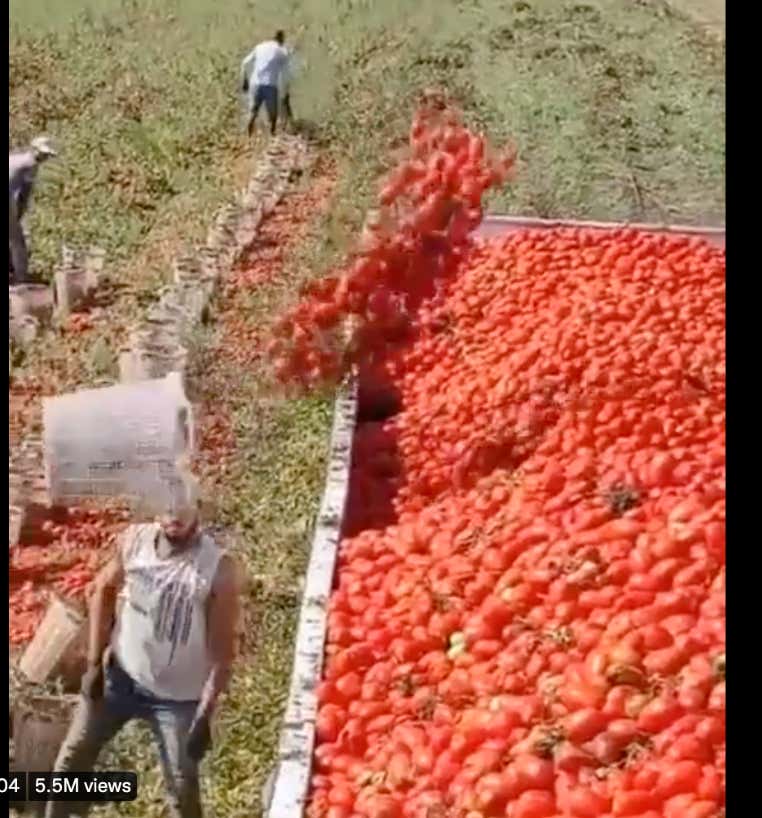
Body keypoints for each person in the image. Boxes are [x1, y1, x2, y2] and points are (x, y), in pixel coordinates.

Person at [46, 474, 242, 818]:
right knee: (72, 760)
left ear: (199, 511)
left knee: (182, 786)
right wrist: (94, 664)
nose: (174, 517)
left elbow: (222, 655)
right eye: (166, 509)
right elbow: (102, 591)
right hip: (120, 678)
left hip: (178, 700)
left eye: (183, 509)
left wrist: (204, 715)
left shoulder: (216, 570)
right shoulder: (134, 542)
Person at [9, 135, 58, 283]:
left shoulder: (16, 159)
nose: (45, 158)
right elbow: (24, 194)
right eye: (43, 154)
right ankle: (21, 278)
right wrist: (18, 215)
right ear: (34, 150)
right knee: (17, 240)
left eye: (47, 155)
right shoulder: (29, 164)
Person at [240, 30, 291, 137]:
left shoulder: (260, 47)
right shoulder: (281, 50)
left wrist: (245, 80)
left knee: (252, 112)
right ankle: (272, 135)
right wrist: (286, 92)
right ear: (281, 39)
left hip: (255, 84)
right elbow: (286, 72)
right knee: (273, 115)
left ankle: (248, 137)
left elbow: (244, 63)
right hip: (270, 85)